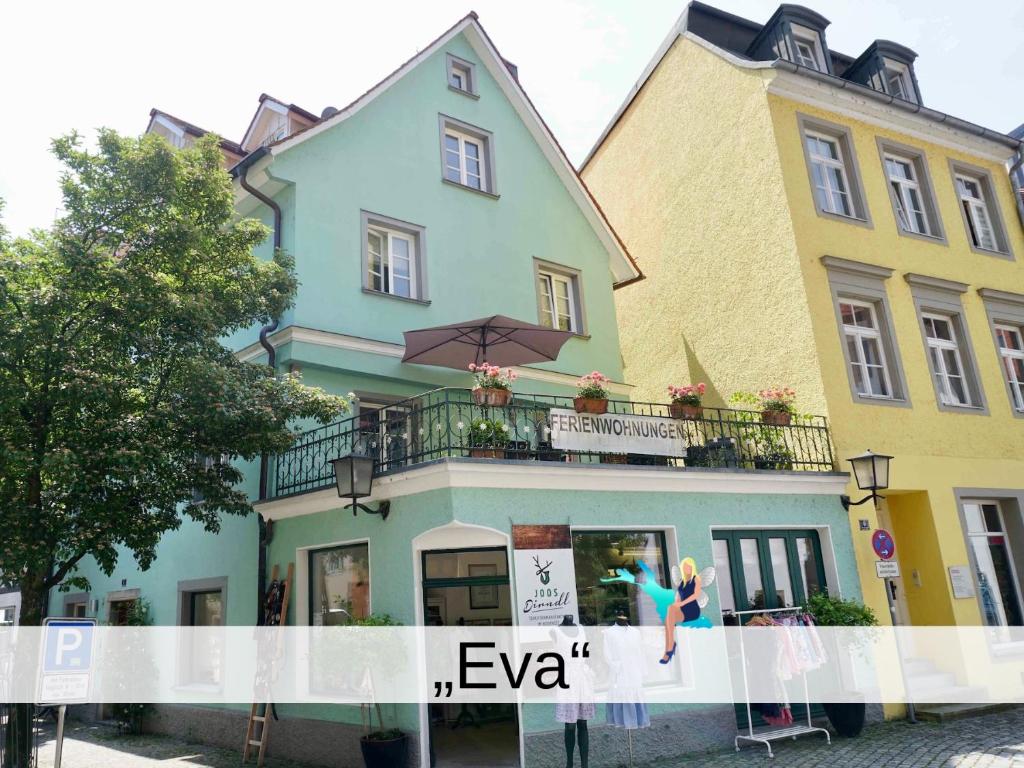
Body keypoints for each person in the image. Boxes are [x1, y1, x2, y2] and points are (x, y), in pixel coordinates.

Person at [660, 557, 703, 664]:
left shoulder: (696, 579)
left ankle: (670, 648)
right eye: (684, 566)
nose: (686, 568)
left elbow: (696, 595)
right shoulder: (682, 581)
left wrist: (681, 603)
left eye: (688, 566)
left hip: (692, 610)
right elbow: (679, 597)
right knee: (668, 620)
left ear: (692, 567)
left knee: (669, 618)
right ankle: (669, 647)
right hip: (682, 609)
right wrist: (677, 603)